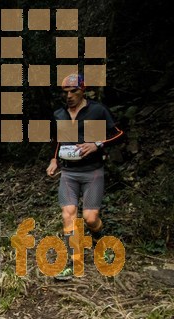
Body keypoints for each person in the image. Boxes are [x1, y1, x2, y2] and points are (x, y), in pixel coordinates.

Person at [46, 74, 124, 280]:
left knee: (90, 219)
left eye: (74, 91)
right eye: (66, 92)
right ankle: (73, 263)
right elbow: (57, 141)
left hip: (93, 172)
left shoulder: (97, 110)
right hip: (68, 174)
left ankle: (99, 240)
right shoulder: (59, 114)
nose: (69, 96)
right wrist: (53, 160)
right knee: (68, 215)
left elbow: (118, 133)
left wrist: (97, 144)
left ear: (83, 90)